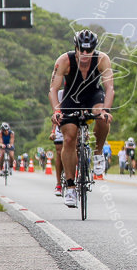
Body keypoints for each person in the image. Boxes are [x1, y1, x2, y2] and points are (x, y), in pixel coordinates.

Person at [49, 29, 115, 208]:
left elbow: (109, 88)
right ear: (76, 47)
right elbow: (54, 89)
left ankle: (98, 153)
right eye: (82, 50)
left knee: (102, 116)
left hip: (93, 96)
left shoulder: (102, 59)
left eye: (89, 50)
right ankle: (70, 187)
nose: (85, 54)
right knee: (69, 137)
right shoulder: (64, 60)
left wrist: (106, 110)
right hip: (71, 98)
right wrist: (57, 111)